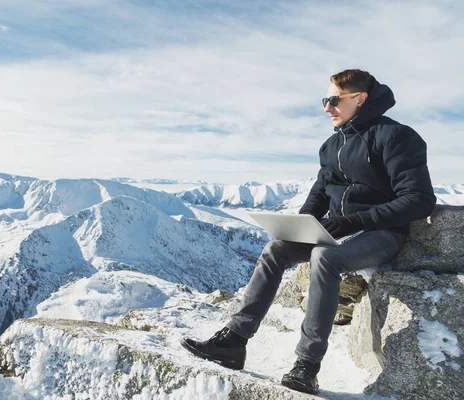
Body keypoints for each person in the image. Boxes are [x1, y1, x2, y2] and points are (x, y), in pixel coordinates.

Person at [181, 69, 436, 394]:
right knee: (276, 251)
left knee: (325, 257)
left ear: (360, 99)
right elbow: (318, 196)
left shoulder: (396, 137)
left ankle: (307, 365)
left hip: (381, 232)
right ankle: (233, 341)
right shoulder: (331, 146)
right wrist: (301, 226)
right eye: (324, 100)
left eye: (334, 100)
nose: (327, 107)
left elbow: (420, 200)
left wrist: (356, 221)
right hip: (338, 230)